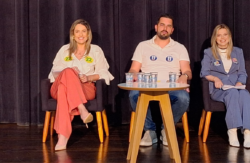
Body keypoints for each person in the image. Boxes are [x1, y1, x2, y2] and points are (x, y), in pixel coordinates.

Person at [48, 19, 114, 151]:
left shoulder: (96, 50)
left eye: (84, 31)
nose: (81, 34)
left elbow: (104, 72)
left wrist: (88, 77)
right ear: (73, 34)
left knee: (63, 89)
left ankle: (63, 137)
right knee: (67, 73)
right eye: (77, 31)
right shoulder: (64, 50)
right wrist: (71, 73)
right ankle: (82, 109)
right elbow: (53, 73)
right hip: (59, 85)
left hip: (86, 87)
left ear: (88, 34)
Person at [128, 13, 192, 146]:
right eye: (162, 25)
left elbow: (187, 70)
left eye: (169, 26)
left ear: (172, 30)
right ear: (156, 27)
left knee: (183, 98)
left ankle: (166, 129)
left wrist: (184, 76)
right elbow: (134, 69)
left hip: (172, 86)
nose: (165, 28)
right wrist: (133, 74)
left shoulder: (179, 48)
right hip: (147, 85)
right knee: (134, 95)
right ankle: (150, 131)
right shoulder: (143, 46)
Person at [200, 24, 250, 148]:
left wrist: (240, 82)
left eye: (225, 35)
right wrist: (215, 78)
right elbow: (204, 73)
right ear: (215, 38)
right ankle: (233, 132)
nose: (222, 38)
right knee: (233, 93)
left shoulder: (238, 51)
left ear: (229, 37)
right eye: (219, 35)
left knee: (245, 94)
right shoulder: (209, 52)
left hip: (236, 86)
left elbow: (242, 72)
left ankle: (247, 132)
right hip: (219, 89)